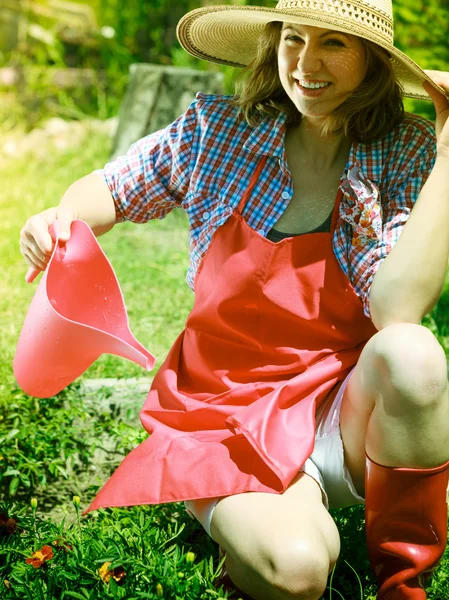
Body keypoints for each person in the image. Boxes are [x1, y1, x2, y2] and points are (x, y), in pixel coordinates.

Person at [19, 1, 449, 599]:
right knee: (298, 571)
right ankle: (267, 528)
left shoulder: (404, 149)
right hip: (223, 414)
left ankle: (404, 584)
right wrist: (57, 218)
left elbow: (396, 310)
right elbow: (112, 188)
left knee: (414, 353)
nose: (306, 63)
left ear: (372, 61)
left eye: (334, 44)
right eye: (294, 38)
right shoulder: (217, 129)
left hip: (338, 410)